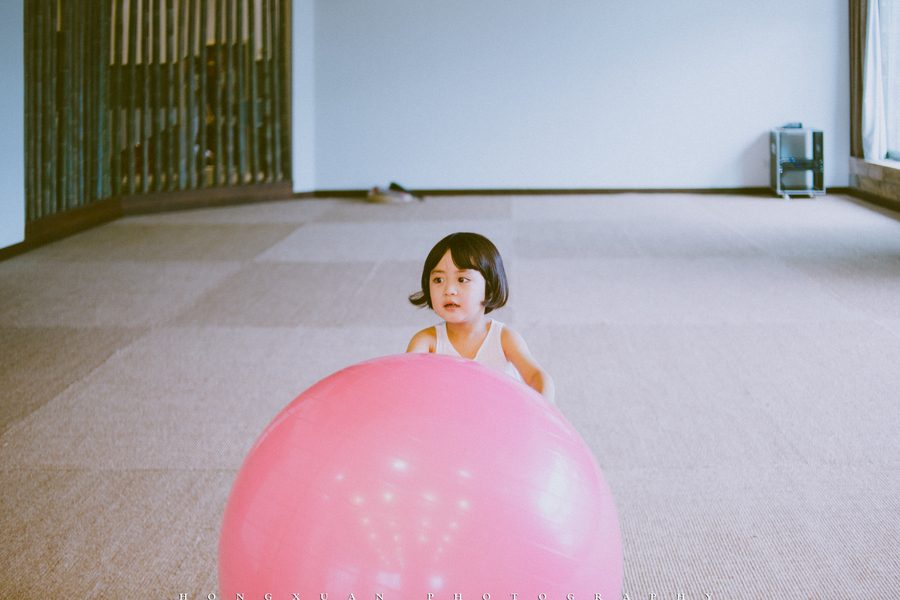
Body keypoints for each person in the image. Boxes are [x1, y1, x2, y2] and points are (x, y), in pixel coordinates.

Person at [406, 232, 556, 404]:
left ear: (489, 288)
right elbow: (406, 381)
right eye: (438, 280)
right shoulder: (427, 341)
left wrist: (544, 409)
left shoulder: (504, 338)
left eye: (462, 279)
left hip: (501, 419)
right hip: (449, 422)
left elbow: (537, 376)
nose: (448, 290)